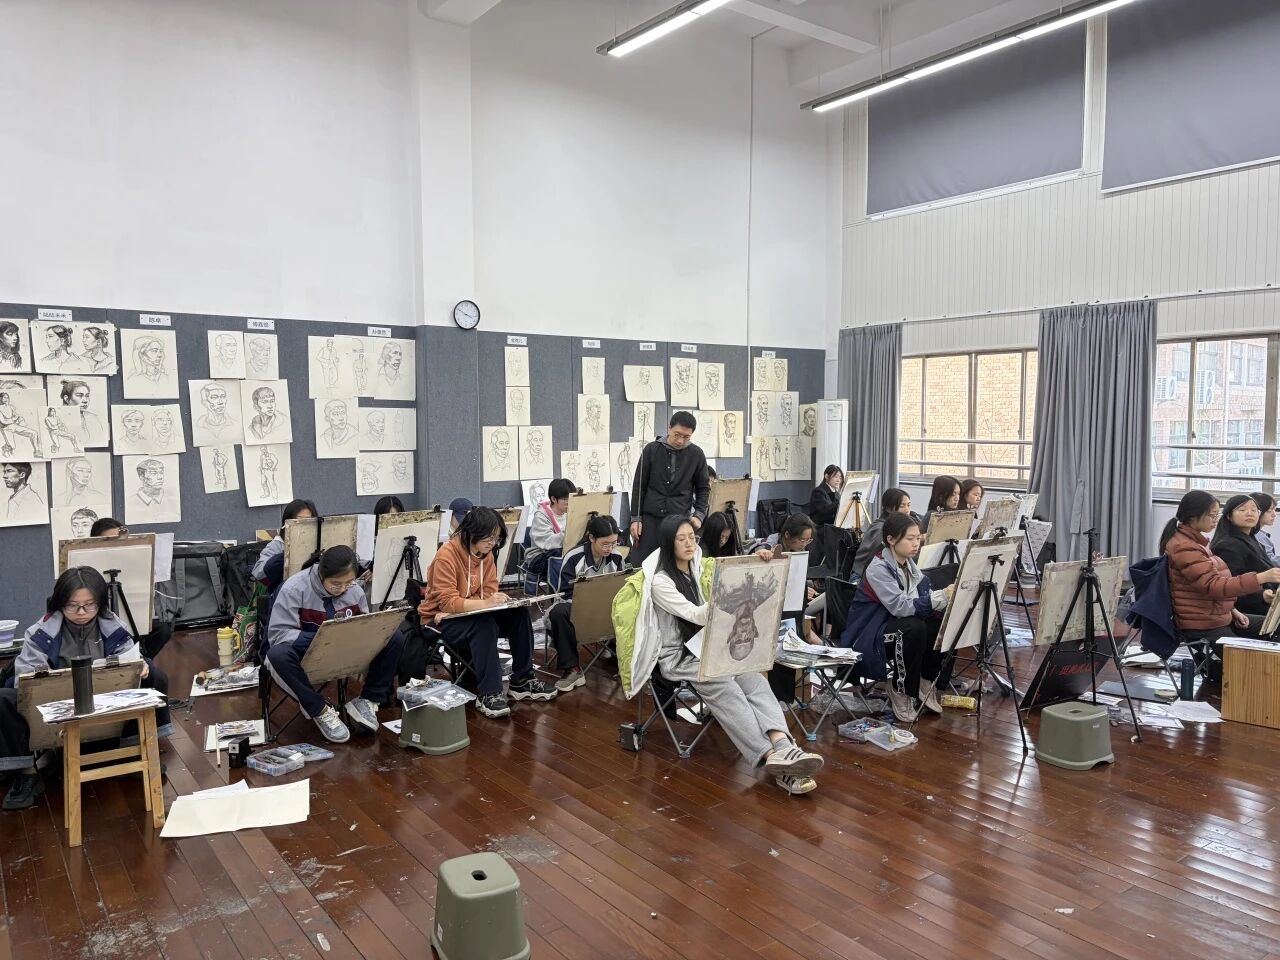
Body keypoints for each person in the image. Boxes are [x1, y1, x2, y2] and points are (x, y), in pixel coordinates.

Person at [639, 516, 824, 796]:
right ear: (668, 543)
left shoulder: (697, 566)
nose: (689, 544)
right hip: (680, 657)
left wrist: (758, 561)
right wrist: (732, 595)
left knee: (754, 679)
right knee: (726, 686)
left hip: (709, 646)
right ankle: (771, 757)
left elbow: (731, 568)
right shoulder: (661, 582)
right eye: (681, 539)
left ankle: (784, 747)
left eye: (692, 537)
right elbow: (695, 614)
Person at [0, 567, 171, 810]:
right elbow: (23, 679)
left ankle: (134, 749)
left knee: (153, 673)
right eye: (72, 606)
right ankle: (26, 774)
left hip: (105, 703)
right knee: (4, 698)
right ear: (60, 603)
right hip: (54, 708)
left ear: (100, 603)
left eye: (89, 605)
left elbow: (131, 658)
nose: (81, 613)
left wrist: (139, 665)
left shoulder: (112, 626)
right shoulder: (40, 633)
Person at [417, 507, 557, 718]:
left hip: (465, 614)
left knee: (518, 615)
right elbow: (447, 603)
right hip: (437, 620)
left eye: (496, 538)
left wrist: (479, 603)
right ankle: (488, 693)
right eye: (489, 537)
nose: (493, 543)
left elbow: (489, 591)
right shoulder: (446, 556)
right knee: (484, 625)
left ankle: (522, 680)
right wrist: (478, 604)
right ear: (472, 532)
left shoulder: (486, 555)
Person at [266, 546, 401, 743]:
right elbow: (279, 634)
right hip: (308, 656)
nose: (343, 588)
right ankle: (320, 710)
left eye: (349, 582)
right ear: (322, 573)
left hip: (347, 652)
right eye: (336, 583)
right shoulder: (294, 588)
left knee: (393, 635)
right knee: (277, 655)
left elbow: (364, 622)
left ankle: (368, 700)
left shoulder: (355, 590)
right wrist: (323, 638)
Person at [840, 512, 953, 723]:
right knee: (913, 628)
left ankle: (925, 680)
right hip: (869, 634)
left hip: (891, 626)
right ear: (891, 539)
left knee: (940, 624)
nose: (916, 543)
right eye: (910, 538)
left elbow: (921, 597)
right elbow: (901, 607)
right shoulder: (878, 568)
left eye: (918, 538)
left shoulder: (909, 565)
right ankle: (900, 689)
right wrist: (941, 596)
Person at [1161, 490, 1280, 662]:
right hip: (1204, 624)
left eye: (1217, 514)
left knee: (1275, 626)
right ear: (1194, 515)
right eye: (1212, 515)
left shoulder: (1196, 543)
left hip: (1218, 617)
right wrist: (1260, 578)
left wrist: (1232, 610)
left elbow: (1206, 586)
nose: (1216, 519)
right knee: (1254, 663)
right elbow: (1214, 586)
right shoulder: (1185, 547)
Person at [545, 516, 625, 692]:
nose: (610, 548)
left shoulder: (617, 557)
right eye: (605, 544)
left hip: (607, 611)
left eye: (614, 543)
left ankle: (627, 662)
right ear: (591, 538)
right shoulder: (574, 557)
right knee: (559, 612)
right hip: (579, 611)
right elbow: (564, 593)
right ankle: (573, 669)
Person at [629, 412, 711, 563]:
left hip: (679, 520)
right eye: (677, 435)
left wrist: (699, 514)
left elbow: (703, 489)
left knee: (675, 565)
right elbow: (639, 486)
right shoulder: (651, 450)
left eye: (686, 437)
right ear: (669, 428)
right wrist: (635, 518)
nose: (680, 441)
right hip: (650, 520)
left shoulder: (697, 454)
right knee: (642, 564)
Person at [1210, 495, 1276, 619]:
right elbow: (1232, 587)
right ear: (1229, 516)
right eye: (1242, 510)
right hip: (1246, 611)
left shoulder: (1252, 539)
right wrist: (1262, 595)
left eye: (1254, 510)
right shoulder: (1227, 546)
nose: (1249, 513)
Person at [252, 499, 318, 588]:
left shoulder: (317, 543)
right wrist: (286, 555)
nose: (304, 526)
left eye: (308, 521)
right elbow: (258, 572)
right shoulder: (278, 544)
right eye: (298, 521)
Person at [851, 488, 912, 580]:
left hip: (879, 575)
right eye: (902, 506)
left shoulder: (896, 525)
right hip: (861, 577)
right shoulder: (880, 529)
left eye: (909, 505)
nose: (907, 510)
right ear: (889, 508)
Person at [527, 478, 571, 576]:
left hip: (563, 552)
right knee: (559, 553)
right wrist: (568, 532)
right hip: (539, 556)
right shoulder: (541, 515)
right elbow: (546, 543)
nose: (569, 502)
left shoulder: (571, 512)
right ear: (553, 499)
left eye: (571, 498)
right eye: (565, 499)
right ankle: (561, 585)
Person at [1251, 493, 1279, 566]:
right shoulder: (1257, 536)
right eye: (1269, 511)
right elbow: (1270, 561)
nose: (1274, 514)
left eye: (1274, 510)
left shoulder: (1260, 534)